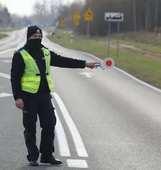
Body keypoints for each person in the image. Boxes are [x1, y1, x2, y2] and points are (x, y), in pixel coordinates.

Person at [10, 25, 100, 166]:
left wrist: (84, 64)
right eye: (34, 37)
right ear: (29, 37)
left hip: (45, 96)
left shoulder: (45, 52)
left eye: (39, 37)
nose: (37, 39)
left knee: (50, 124)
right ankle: (33, 156)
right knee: (30, 128)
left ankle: (47, 155)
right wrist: (18, 97)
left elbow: (63, 61)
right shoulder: (20, 54)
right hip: (29, 97)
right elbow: (14, 77)